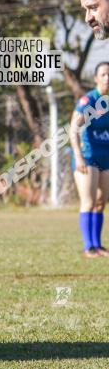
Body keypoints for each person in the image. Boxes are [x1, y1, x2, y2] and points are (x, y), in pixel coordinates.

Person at [70, 61, 109, 257]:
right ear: (96, 78)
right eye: (103, 74)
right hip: (87, 156)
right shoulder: (90, 100)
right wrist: (78, 156)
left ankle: (98, 245)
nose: (107, 78)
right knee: (89, 201)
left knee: (101, 202)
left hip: (106, 157)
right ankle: (89, 247)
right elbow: (73, 128)